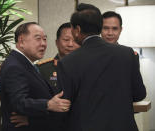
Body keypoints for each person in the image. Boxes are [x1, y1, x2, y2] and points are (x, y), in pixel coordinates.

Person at [57, 3, 146, 131]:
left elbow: (64, 106)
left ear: (77, 29)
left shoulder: (68, 62)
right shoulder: (127, 53)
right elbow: (139, 94)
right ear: (100, 27)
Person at [0, 22, 71, 131]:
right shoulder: (15, 66)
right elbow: (19, 102)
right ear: (22, 41)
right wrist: (48, 104)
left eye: (45, 39)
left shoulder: (26, 63)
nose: (43, 44)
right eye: (38, 39)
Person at [37, 22, 80, 91]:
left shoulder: (88, 68)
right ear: (57, 43)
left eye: (75, 40)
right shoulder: (42, 69)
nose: (70, 44)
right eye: (66, 40)